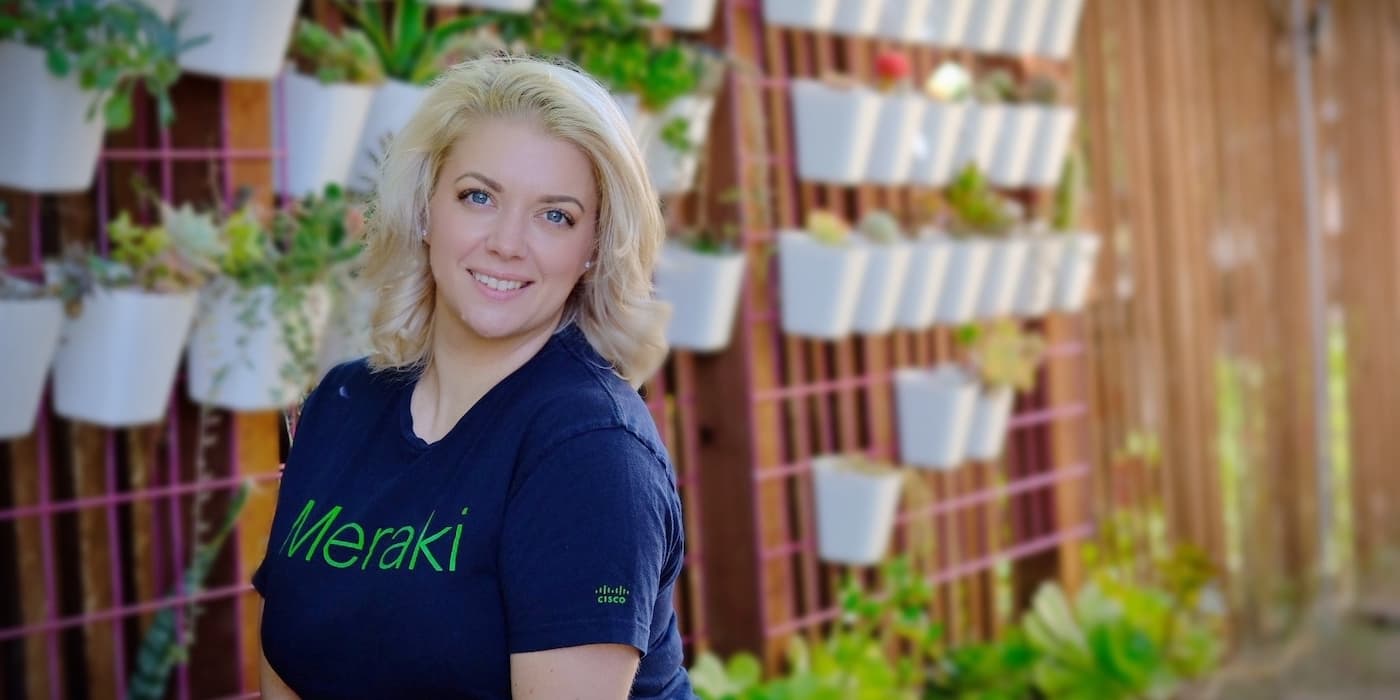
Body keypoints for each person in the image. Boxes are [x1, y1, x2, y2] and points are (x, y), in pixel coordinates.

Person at [252, 54, 692, 699]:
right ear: (426, 207)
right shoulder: (342, 407)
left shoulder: (593, 454)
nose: (507, 243)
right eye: (478, 196)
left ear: (594, 247)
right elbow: (288, 662)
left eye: (555, 215)